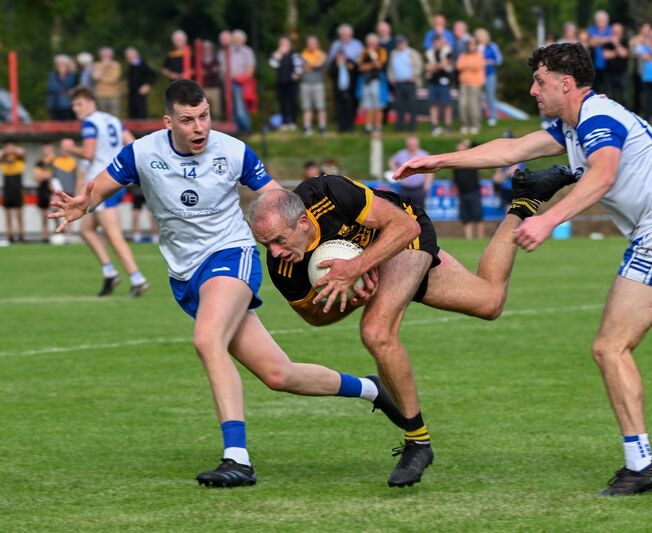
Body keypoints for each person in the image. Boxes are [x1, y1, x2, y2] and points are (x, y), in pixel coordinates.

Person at [393, 42, 652, 496]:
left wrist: (549, 219)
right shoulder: (574, 124)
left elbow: (603, 174)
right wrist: (438, 160)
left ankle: (640, 464)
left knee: (610, 348)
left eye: (540, 81)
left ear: (565, 84)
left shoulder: (598, 119)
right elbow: (511, 148)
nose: (534, 89)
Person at [49, 79, 404, 488]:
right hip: (185, 275)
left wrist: (326, 245)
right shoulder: (143, 152)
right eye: (188, 120)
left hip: (231, 256)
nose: (199, 127)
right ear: (169, 122)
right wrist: (83, 202)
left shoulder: (233, 151)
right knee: (278, 374)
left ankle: (238, 458)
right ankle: (371, 390)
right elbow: (100, 187)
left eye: (204, 116)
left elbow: (278, 201)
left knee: (206, 339)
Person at [249, 166, 574, 487]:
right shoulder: (283, 267)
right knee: (489, 301)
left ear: (303, 222)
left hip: (403, 238)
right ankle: (525, 200)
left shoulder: (328, 194)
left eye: (279, 240)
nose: (275, 252)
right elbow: (314, 317)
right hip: (377, 264)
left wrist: (357, 268)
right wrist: (354, 297)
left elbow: (403, 226)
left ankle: (417, 441)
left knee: (376, 332)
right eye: (266, 245)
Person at [61, 86, 149, 296]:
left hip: (102, 183)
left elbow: (89, 154)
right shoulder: (112, 120)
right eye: (74, 105)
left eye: (79, 104)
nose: (75, 109)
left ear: (91, 103)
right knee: (86, 230)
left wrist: (70, 148)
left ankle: (138, 278)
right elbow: (133, 144)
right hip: (117, 178)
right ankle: (109, 272)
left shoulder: (90, 123)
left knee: (113, 234)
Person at [388, 35, 422, 132]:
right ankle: (399, 126)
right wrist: (392, 79)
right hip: (398, 83)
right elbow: (390, 68)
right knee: (399, 106)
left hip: (410, 82)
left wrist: (415, 75)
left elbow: (419, 65)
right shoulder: (393, 54)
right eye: (398, 43)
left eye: (402, 42)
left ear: (405, 43)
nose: (400, 44)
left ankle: (412, 127)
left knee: (412, 105)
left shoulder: (412, 53)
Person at [452, 139, 484, 239]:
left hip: (474, 192)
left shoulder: (472, 159)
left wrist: (467, 144)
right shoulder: (455, 164)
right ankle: (469, 238)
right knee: (466, 219)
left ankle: (480, 238)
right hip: (462, 194)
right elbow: (455, 180)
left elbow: (478, 146)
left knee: (477, 217)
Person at [269, 36, 302, 131]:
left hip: (291, 83)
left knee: (292, 102)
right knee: (282, 103)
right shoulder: (278, 55)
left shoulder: (294, 55)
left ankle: (293, 122)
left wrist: (296, 74)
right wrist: (278, 54)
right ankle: (284, 123)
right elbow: (273, 64)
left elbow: (299, 65)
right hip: (281, 82)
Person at [388, 135, 431, 209]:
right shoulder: (401, 154)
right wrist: (395, 171)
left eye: (413, 144)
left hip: (419, 189)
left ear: (418, 144)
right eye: (410, 144)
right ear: (407, 144)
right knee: (404, 212)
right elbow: (391, 161)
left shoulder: (424, 155)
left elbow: (429, 172)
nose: (412, 146)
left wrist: (427, 185)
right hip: (404, 189)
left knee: (420, 212)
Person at [228, 29, 257, 133]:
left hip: (242, 83)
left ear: (243, 40)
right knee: (233, 108)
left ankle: (247, 128)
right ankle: (238, 129)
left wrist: (240, 78)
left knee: (241, 107)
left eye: (238, 39)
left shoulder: (247, 51)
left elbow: (250, 69)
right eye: (234, 39)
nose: (236, 41)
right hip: (229, 83)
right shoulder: (229, 51)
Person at [357, 33, 388, 133]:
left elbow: (379, 65)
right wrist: (371, 65)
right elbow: (361, 67)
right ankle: (368, 127)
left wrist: (373, 55)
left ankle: (378, 127)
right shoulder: (363, 52)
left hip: (377, 81)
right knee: (367, 106)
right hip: (366, 81)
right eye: (369, 43)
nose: (371, 45)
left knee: (377, 105)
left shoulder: (381, 51)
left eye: (373, 43)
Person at [425, 35, 454, 136]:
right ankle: (435, 125)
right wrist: (439, 65)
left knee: (446, 104)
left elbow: (446, 65)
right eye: (436, 42)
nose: (438, 43)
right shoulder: (429, 53)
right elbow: (428, 68)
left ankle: (448, 125)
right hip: (433, 81)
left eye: (440, 41)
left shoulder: (447, 52)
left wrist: (434, 67)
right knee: (433, 104)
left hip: (444, 81)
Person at [456, 38, 485, 135]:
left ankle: (475, 125)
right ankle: (465, 125)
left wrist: (467, 65)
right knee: (463, 105)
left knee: (473, 105)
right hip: (464, 83)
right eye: (469, 44)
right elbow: (459, 66)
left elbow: (477, 66)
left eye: (473, 44)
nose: (471, 46)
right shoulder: (463, 55)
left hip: (475, 83)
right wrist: (469, 65)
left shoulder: (479, 55)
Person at [299, 35, 327, 136]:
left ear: (317, 44)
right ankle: (307, 127)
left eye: (313, 43)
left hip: (318, 84)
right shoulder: (303, 54)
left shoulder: (321, 54)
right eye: (309, 43)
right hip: (305, 84)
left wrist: (308, 66)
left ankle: (322, 127)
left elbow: (319, 64)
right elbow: (301, 68)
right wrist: (313, 65)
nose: (311, 45)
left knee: (321, 107)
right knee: (306, 107)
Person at [475, 28, 503, 127]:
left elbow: (499, 59)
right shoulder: (475, 47)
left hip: (490, 74)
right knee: (477, 97)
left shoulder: (492, 46)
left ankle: (492, 117)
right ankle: (478, 118)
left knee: (490, 96)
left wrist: (491, 61)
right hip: (477, 75)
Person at [0, 139, 26, 242]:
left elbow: (23, 152)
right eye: (8, 146)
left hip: (18, 188)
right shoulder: (3, 158)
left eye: (11, 146)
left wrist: (14, 150)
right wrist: (5, 152)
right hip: (7, 189)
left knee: (19, 215)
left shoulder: (19, 158)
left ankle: (21, 236)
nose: (9, 148)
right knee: (9, 215)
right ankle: (10, 237)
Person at [328, 50, 358, 133]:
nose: (340, 58)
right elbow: (330, 73)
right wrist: (337, 66)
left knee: (350, 109)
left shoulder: (350, 63)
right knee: (339, 109)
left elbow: (356, 70)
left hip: (349, 90)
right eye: (339, 56)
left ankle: (350, 127)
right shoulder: (334, 63)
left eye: (342, 56)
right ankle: (341, 127)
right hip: (338, 91)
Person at [33, 142, 57, 242]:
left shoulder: (57, 160)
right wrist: (48, 175)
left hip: (55, 189)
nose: (46, 150)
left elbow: (58, 174)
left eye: (48, 148)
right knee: (44, 215)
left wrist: (44, 175)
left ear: (52, 148)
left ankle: (60, 233)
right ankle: (45, 236)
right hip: (43, 189)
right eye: (44, 148)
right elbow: (36, 176)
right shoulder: (40, 162)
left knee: (56, 211)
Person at [125, 47, 156, 120]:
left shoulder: (142, 64)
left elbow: (153, 75)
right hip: (131, 93)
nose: (128, 57)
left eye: (130, 55)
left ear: (136, 55)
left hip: (140, 94)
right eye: (127, 56)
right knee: (132, 114)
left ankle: (142, 131)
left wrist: (148, 85)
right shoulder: (130, 65)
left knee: (141, 113)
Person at [602, 23, 629, 106]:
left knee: (624, 97)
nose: (616, 33)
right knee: (609, 97)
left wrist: (616, 44)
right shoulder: (607, 42)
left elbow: (624, 54)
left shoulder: (625, 41)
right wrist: (618, 52)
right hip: (609, 73)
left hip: (622, 73)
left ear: (621, 31)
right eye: (614, 31)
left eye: (618, 31)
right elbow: (605, 55)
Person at [588, 10, 613, 94]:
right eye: (599, 19)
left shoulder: (611, 30)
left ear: (607, 21)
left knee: (607, 90)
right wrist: (607, 39)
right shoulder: (591, 30)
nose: (600, 22)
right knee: (594, 90)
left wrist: (597, 40)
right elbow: (591, 42)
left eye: (602, 20)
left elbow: (595, 41)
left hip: (608, 66)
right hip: (594, 65)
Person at [92, 47, 122, 116]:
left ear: (112, 55)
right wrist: (103, 67)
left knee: (114, 116)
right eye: (105, 55)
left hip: (113, 95)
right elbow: (95, 77)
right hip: (100, 95)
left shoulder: (116, 65)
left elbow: (114, 79)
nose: (106, 56)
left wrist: (101, 79)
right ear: (101, 55)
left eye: (108, 54)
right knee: (101, 117)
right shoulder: (97, 65)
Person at [46, 55, 77, 120]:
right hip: (54, 105)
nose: (61, 66)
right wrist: (64, 90)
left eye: (63, 64)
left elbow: (71, 86)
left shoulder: (71, 75)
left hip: (67, 105)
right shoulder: (52, 75)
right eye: (59, 64)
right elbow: (51, 87)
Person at [200, 41, 223, 120]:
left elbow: (217, 72)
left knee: (216, 109)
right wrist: (211, 71)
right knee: (203, 109)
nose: (207, 50)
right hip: (203, 88)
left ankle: (218, 124)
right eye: (205, 49)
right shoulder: (199, 61)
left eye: (208, 48)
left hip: (214, 87)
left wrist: (206, 72)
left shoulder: (216, 60)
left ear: (212, 49)